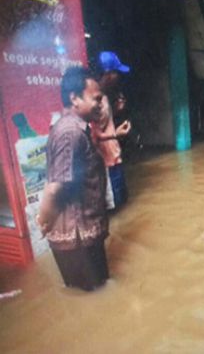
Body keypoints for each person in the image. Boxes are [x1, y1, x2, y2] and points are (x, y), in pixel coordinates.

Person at [36, 67, 109, 291]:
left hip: (82, 232)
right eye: (96, 98)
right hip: (76, 236)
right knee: (93, 295)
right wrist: (44, 221)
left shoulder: (77, 128)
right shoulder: (70, 133)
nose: (100, 103)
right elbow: (54, 189)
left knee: (97, 291)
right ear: (74, 98)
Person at [90, 94, 131, 210]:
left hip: (115, 155)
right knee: (114, 205)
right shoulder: (92, 105)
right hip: (105, 160)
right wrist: (115, 134)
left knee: (122, 203)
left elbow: (107, 122)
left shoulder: (105, 98)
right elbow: (95, 134)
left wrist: (118, 109)